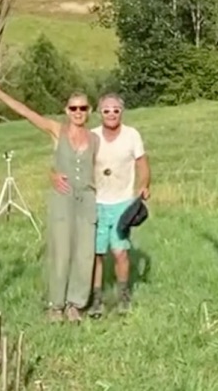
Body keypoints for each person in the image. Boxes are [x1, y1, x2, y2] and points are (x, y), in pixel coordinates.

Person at [0, 84, 98, 323]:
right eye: (73, 108)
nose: (78, 112)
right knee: (61, 250)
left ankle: (75, 303)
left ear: (89, 110)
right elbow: (27, 113)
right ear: (66, 110)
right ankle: (55, 305)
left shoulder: (95, 139)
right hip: (63, 197)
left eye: (83, 108)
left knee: (85, 252)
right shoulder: (57, 130)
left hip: (87, 198)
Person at [73, 92, 150, 318]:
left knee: (120, 252)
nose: (111, 114)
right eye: (106, 110)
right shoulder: (92, 136)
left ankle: (123, 296)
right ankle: (96, 299)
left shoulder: (131, 135)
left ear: (121, 112)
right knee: (97, 254)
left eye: (116, 110)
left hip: (122, 203)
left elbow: (143, 164)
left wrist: (144, 185)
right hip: (96, 203)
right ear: (99, 113)